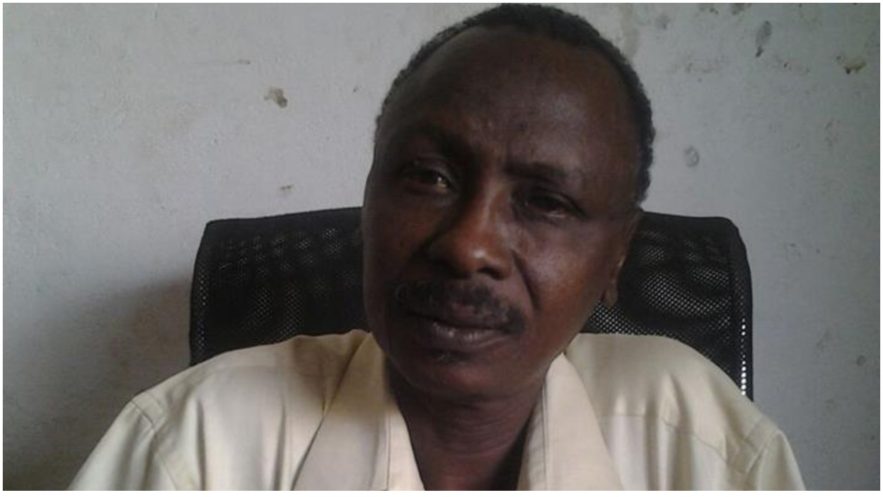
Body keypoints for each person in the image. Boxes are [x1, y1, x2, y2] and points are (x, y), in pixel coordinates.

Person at [70, 4, 804, 490]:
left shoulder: (702, 445)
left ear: (616, 260)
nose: (467, 245)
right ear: (369, 199)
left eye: (545, 201)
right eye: (427, 176)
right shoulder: (193, 448)